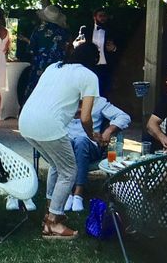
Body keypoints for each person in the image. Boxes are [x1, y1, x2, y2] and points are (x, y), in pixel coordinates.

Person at [19, 42, 100, 240]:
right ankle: (53, 222)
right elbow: (86, 117)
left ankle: (50, 210)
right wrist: (92, 136)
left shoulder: (53, 67)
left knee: (57, 165)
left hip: (25, 122)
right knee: (69, 171)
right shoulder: (89, 76)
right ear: (94, 61)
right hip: (49, 125)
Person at [64, 96, 131, 212]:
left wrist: (108, 130)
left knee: (80, 141)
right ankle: (67, 193)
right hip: (67, 146)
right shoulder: (65, 100)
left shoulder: (98, 102)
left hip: (89, 146)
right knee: (66, 142)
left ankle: (78, 194)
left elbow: (124, 117)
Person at [23, 5, 70, 100]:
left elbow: (31, 49)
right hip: (57, 66)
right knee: (55, 91)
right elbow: (67, 49)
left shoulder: (38, 30)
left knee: (35, 90)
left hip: (39, 65)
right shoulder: (64, 32)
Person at [79, 8, 118, 99]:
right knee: (90, 91)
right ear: (94, 17)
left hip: (106, 66)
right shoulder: (86, 30)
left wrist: (114, 48)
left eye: (104, 16)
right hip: (91, 65)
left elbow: (121, 47)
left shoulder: (113, 31)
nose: (103, 18)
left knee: (105, 92)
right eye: (100, 16)